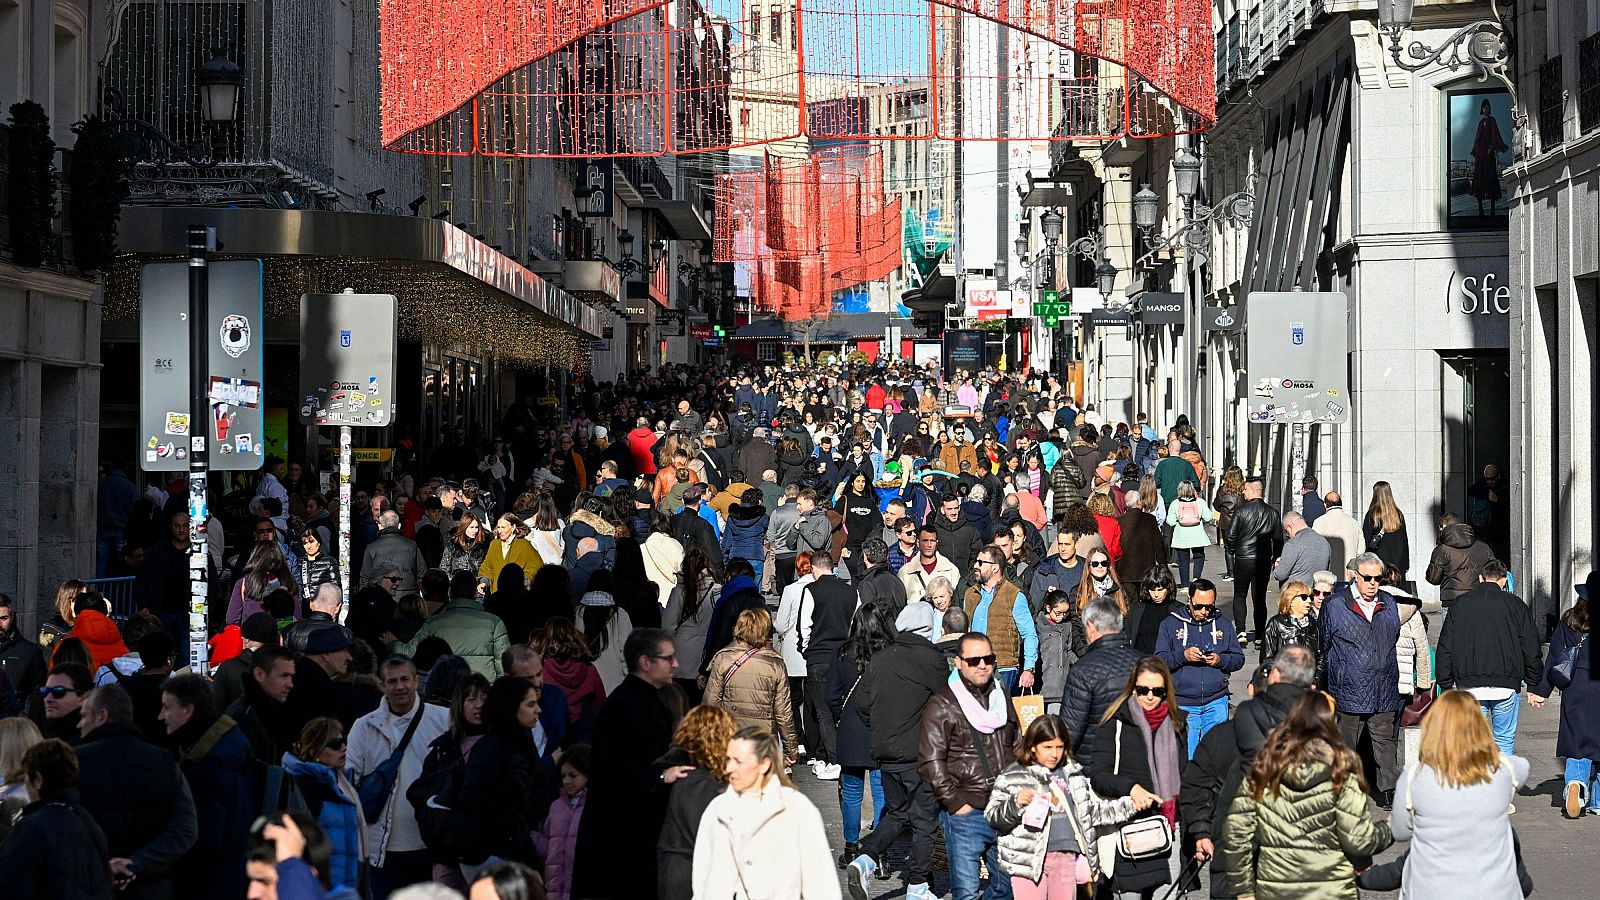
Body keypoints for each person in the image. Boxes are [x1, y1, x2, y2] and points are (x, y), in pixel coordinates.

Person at [1221, 691, 1392, 900]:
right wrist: (1392, 828)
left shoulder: (1264, 771)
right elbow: (1359, 840)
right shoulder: (1342, 775)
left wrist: (1243, 890)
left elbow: (1235, 832)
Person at [847, 596, 949, 900]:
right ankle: (917, 886)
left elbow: (863, 705)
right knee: (923, 823)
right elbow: (948, 702)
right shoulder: (931, 658)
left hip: (886, 753)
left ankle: (864, 860)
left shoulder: (880, 658)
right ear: (928, 627)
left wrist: (885, 724)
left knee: (898, 815)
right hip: (918, 753)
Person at [985, 714, 1149, 899]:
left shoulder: (1073, 775)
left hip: (1065, 856)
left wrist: (1129, 806)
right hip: (1028, 861)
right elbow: (993, 817)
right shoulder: (1013, 775)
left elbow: (1091, 813)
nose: (1054, 754)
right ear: (1032, 746)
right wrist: (1014, 804)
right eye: (1047, 747)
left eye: (1059, 747)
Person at [570, 629, 680, 900]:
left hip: (638, 834)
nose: (675, 664)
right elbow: (613, 774)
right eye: (668, 658)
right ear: (646, 662)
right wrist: (662, 777)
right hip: (621, 840)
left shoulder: (651, 699)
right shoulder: (623, 706)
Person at [1389, 690, 1527, 900]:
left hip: (1431, 890)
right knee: (1509, 835)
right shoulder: (1504, 769)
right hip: (1495, 892)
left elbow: (1399, 831)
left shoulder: (1414, 777)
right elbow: (1523, 768)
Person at [919, 632, 1021, 900]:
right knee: (966, 892)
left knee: (1006, 888)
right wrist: (955, 803)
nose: (982, 665)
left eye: (988, 659)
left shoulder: (1002, 697)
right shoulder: (943, 703)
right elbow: (930, 761)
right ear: (959, 662)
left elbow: (1018, 745)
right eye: (974, 660)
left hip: (1003, 808)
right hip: (966, 812)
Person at [75, 683, 199, 900]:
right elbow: (185, 829)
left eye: (84, 716)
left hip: (89, 886)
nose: (79, 724)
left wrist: (103, 867)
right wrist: (138, 862)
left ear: (102, 716)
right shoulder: (163, 762)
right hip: (151, 886)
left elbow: (59, 827)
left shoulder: (74, 763)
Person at [692, 726, 839, 900]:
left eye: (738, 761)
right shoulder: (718, 809)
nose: (729, 768)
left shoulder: (797, 810)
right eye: (728, 759)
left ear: (764, 764)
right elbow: (701, 876)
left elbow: (821, 886)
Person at [346, 655, 450, 898]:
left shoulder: (443, 720)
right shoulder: (364, 726)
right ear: (382, 685)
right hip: (382, 850)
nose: (399, 686)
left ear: (416, 681)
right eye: (392, 681)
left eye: (405, 679)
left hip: (430, 846)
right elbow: (350, 779)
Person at [1090, 656, 1186, 899]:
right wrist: (1130, 788)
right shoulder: (1116, 723)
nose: (1150, 696)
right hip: (1129, 829)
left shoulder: (1176, 725)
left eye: (1157, 691)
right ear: (1132, 688)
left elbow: (1184, 779)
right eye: (1143, 690)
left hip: (1167, 828)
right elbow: (1098, 776)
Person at [1434, 558, 1542, 758]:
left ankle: (1475, 784)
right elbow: (1530, 646)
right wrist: (1534, 683)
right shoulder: (1516, 605)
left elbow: (1446, 646)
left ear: (1480, 578)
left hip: (1469, 684)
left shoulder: (1460, 605)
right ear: (1503, 581)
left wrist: (1445, 684)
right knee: (1504, 738)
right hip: (1506, 683)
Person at [1320, 552, 1403, 807]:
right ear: (1355, 577)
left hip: (1384, 685)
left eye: (1377, 578)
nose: (1372, 583)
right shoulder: (1335, 605)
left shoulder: (1388, 603)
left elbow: (1394, 635)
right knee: (1346, 744)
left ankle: (1388, 790)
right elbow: (1323, 642)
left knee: (1385, 744)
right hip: (1348, 687)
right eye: (1367, 578)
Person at [0, 738, 115, 898]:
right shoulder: (88, 821)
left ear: (38, 780)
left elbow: (12, 886)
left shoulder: (30, 828)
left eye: (26, 778)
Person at [455, 676, 551, 869]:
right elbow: (475, 801)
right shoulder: (491, 749)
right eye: (530, 704)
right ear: (512, 708)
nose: (538, 710)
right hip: (496, 854)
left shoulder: (522, 742)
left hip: (515, 845)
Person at [828, 603, 894, 864]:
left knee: (852, 792)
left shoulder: (843, 654)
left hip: (851, 730)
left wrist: (842, 716)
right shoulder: (889, 654)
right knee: (881, 792)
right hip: (881, 730)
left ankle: (851, 846)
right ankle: (880, 850)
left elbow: (831, 695)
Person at [1531, 571, 1599, 818]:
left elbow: (1555, 659)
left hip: (1576, 687)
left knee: (1576, 740)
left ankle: (1575, 785)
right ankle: (1599, 801)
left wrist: (1541, 691)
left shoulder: (1570, 620)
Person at [656, 706, 738, 900]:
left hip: (679, 873)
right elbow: (706, 836)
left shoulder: (681, 771)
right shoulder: (699, 781)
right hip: (692, 878)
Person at [1157, 579, 1242, 755]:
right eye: (1199, 606)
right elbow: (1159, 660)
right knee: (1188, 757)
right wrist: (1183, 656)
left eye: (1209, 607)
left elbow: (1238, 659)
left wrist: (1220, 660)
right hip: (1183, 703)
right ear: (1189, 600)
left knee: (1215, 757)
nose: (1204, 612)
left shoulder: (1223, 624)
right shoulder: (1170, 624)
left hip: (1216, 701)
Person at [283, 717, 366, 895]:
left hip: (347, 881)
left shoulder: (341, 782)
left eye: (344, 741)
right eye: (335, 744)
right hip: (320, 885)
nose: (343, 748)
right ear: (315, 750)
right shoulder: (305, 786)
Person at [1058, 596, 1143, 765]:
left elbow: (1069, 731)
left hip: (1094, 766)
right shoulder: (1145, 664)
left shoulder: (1083, 670)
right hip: (1138, 764)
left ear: (1090, 627)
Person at [704, 608, 799, 754]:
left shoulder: (723, 659)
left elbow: (710, 703)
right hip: (764, 736)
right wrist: (791, 749)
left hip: (731, 733)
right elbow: (783, 712)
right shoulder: (775, 664)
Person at [799, 552, 856, 780]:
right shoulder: (851, 591)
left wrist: (806, 650)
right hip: (844, 656)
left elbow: (804, 626)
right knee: (839, 710)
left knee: (822, 712)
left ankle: (834, 759)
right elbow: (855, 623)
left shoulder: (811, 590)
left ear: (814, 568)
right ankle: (826, 756)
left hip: (818, 658)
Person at [397, 573, 510, 678]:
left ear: (450, 593)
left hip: (449, 690)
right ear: (476, 593)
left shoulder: (434, 623)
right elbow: (503, 666)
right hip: (483, 690)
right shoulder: (495, 623)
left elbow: (409, 652)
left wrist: (391, 643)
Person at [1226, 479, 1281, 646]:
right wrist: (1274, 557)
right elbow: (1278, 539)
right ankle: (1259, 635)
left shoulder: (1241, 511)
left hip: (1243, 558)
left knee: (1240, 595)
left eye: (1245, 490)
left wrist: (1234, 550)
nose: (1243, 492)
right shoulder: (1272, 512)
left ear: (1251, 491)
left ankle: (1241, 631)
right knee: (1260, 598)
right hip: (1263, 560)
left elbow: (1230, 536)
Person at [1423, 514, 1494, 605]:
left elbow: (1433, 578)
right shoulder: (1483, 547)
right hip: (1479, 596)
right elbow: (1493, 571)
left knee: (1452, 619)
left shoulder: (1442, 550)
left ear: (1443, 527)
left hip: (1452, 598)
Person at [362, 510, 429, 594]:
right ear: (399, 526)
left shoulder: (371, 547)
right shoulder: (412, 545)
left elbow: (365, 578)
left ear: (380, 526)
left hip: (381, 596)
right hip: (407, 596)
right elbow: (422, 575)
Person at [0, 594, 48, 707]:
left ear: (11, 617)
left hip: (16, 720)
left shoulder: (30, 652)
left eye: (3, 618)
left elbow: (38, 694)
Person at [1261, 581, 1322, 670]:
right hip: (1284, 681)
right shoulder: (1276, 623)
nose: (1309, 600)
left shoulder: (1314, 624)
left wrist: (1316, 680)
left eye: (1310, 597)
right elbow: (1267, 660)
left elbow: (1322, 658)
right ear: (1290, 600)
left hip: (1310, 681)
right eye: (1304, 597)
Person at [1165, 481, 1215, 588]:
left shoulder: (1175, 503)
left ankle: (1185, 584)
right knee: (1199, 556)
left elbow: (1171, 521)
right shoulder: (1200, 502)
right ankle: (1196, 577)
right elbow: (1208, 517)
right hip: (1197, 534)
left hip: (1181, 536)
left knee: (1183, 561)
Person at [902, 525, 963, 606]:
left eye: (932, 541)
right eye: (925, 541)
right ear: (918, 543)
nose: (929, 545)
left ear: (937, 543)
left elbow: (957, 603)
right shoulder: (905, 572)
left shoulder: (952, 570)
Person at [1124, 567, 1179, 655]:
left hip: (1167, 663)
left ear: (1168, 588)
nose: (1156, 595)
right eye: (1152, 590)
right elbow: (1129, 636)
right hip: (1141, 661)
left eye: (1160, 590)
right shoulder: (1136, 609)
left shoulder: (1178, 610)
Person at [1362, 481, 1411, 579]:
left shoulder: (1372, 515)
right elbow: (1404, 541)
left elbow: (1366, 541)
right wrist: (1405, 564)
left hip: (1378, 564)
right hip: (1397, 565)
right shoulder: (1398, 515)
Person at [1028, 531, 1085, 613]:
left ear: (1076, 544)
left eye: (1067, 544)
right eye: (1060, 544)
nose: (1063, 549)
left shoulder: (1086, 568)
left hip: (1079, 622)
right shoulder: (1044, 569)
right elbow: (1034, 606)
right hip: (1052, 624)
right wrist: (1047, 595)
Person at [1272, 511, 1330, 589]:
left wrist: (1277, 566)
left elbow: (1280, 575)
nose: (1287, 535)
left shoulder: (1292, 543)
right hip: (1317, 593)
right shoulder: (1324, 542)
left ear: (1289, 527)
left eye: (1286, 531)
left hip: (1295, 594)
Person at [1310, 491, 1363, 575]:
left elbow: (1314, 547)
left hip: (1327, 574)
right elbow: (1361, 549)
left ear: (1325, 505)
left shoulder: (1319, 522)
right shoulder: (1354, 523)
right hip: (1348, 573)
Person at [41, 662, 93, 743]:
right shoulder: (46, 731)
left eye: (58, 691)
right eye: (45, 691)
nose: (48, 699)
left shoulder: (86, 739)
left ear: (82, 697)